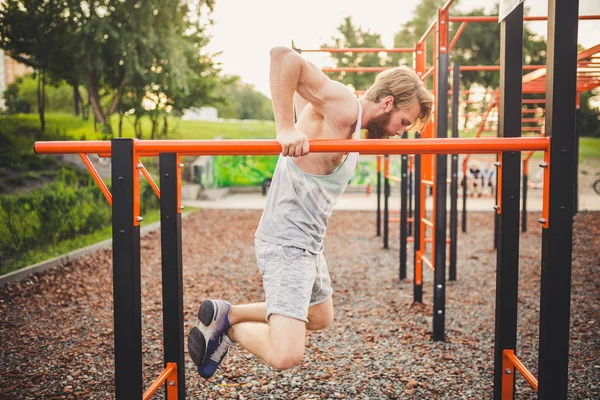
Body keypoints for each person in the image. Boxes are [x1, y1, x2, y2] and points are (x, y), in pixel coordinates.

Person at [187, 46, 434, 378]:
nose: (400, 132)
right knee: (285, 353)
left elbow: (303, 89)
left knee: (319, 316)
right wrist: (285, 128)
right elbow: (281, 57)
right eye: (403, 122)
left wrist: (298, 110)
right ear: (387, 103)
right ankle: (227, 329)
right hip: (288, 242)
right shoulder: (344, 107)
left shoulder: (340, 117)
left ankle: (226, 314)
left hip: (309, 244)